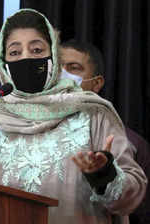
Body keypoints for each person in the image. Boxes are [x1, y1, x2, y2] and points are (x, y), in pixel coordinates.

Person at [0, 9, 147, 224]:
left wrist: (104, 175)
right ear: (3, 63)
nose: (26, 58)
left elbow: (132, 197)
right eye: (15, 52)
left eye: (37, 49)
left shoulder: (92, 112)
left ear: (54, 57)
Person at [60, 39, 150, 224]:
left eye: (73, 67)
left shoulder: (130, 141)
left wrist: (105, 176)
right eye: (59, 67)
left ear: (96, 83)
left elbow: (138, 210)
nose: (63, 74)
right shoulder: (31, 123)